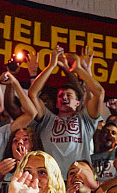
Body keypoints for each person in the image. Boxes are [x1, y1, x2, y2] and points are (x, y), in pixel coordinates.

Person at [27, 46, 105, 176]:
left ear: (78, 103)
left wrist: (79, 69)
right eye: (60, 95)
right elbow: (32, 94)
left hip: (79, 178)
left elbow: (99, 92)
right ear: (56, 103)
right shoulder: (47, 119)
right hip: (52, 180)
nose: (64, 97)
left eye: (69, 95)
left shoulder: (86, 119)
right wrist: (51, 66)